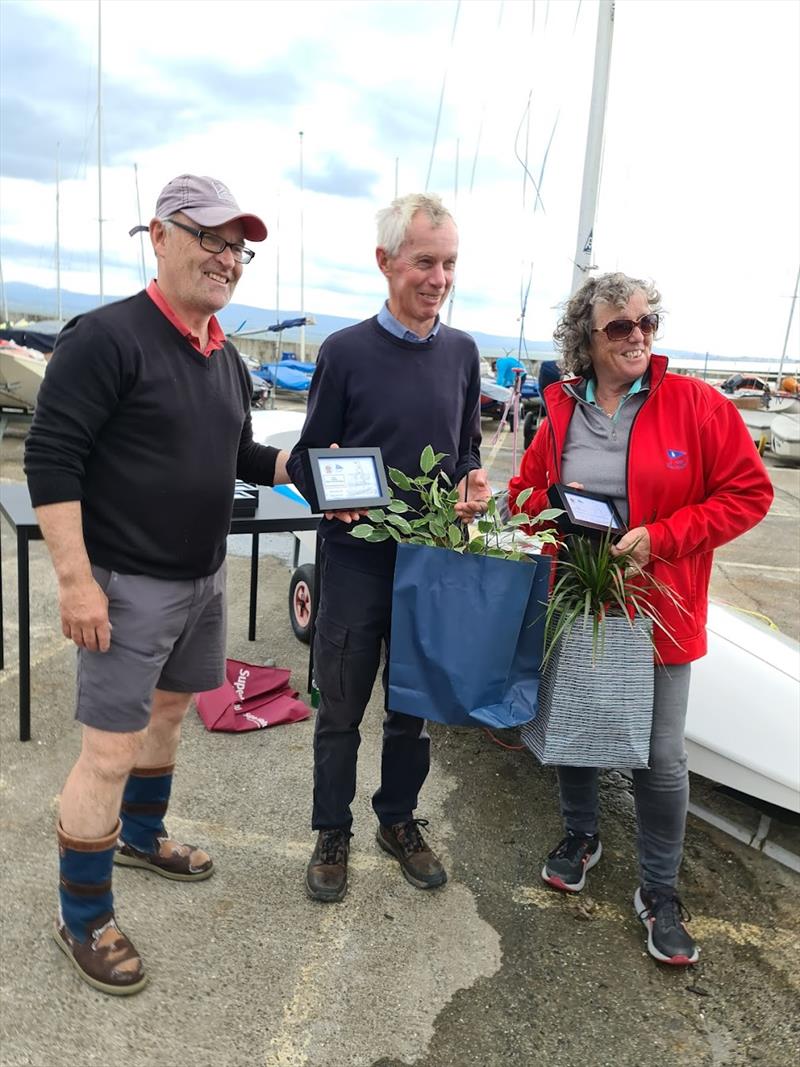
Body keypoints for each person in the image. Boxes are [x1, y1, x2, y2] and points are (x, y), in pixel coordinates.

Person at [24, 174, 291, 995]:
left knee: (170, 714)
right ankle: (84, 916)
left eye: (237, 245)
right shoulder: (105, 338)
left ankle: (143, 835)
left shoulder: (224, 356)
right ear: (160, 236)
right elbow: (51, 458)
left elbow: (240, 455)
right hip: (124, 583)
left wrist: (307, 469)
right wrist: (76, 583)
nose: (226, 258)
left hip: (203, 576)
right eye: (209, 238)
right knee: (107, 750)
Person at [508, 272, 773, 965]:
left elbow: (750, 492)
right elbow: (528, 489)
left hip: (660, 606)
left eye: (647, 322)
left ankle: (658, 888)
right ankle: (581, 834)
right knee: (575, 725)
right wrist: (524, 509)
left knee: (661, 756)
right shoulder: (562, 406)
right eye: (620, 326)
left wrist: (662, 537)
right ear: (587, 339)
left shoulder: (696, 404)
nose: (638, 336)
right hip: (580, 598)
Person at [287, 193, 491, 903]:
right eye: (424, 262)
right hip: (353, 562)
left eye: (449, 263)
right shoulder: (343, 352)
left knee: (412, 705)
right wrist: (339, 494)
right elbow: (306, 463)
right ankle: (331, 828)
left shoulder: (464, 353)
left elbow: (465, 449)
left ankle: (397, 819)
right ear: (385, 262)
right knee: (340, 705)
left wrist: (472, 480)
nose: (438, 278)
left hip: (428, 565)